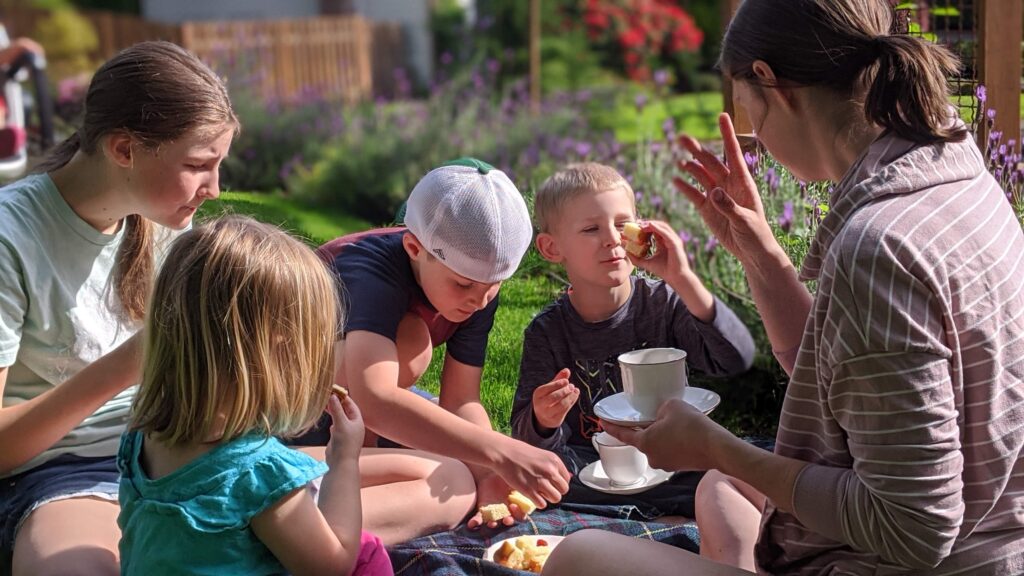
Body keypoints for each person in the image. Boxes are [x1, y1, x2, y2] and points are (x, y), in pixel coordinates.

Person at [542, 0, 1024, 574]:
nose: (757, 139)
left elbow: (914, 528)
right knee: (721, 487)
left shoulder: (879, 247)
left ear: (771, 82)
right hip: (997, 537)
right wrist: (760, 249)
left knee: (576, 555)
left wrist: (716, 446)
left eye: (749, 109)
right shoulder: (961, 174)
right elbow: (840, 379)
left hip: (915, 561)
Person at [0, 40, 236, 576]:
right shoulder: (11, 237)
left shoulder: (164, 222)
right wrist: (138, 356)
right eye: (199, 164)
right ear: (124, 150)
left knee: (446, 480)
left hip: (177, 448)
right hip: (65, 473)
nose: (215, 189)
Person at [117, 216, 392, 575]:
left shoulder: (140, 435)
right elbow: (333, 565)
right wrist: (343, 458)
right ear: (275, 351)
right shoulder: (258, 475)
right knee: (367, 555)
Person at [314, 157, 572, 529]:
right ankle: (312, 518)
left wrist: (489, 475)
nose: (479, 301)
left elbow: (460, 400)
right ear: (414, 248)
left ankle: (342, 497)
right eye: (464, 285)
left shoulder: (476, 286)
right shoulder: (371, 272)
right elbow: (374, 399)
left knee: (461, 480)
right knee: (413, 344)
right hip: (281, 414)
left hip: (347, 419)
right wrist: (501, 452)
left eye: (494, 286)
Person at [511, 162, 755, 519]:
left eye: (622, 223)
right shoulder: (548, 333)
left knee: (733, 473)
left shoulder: (663, 303)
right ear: (551, 248)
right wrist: (542, 419)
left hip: (674, 463)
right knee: (551, 487)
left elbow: (734, 358)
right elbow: (528, 443)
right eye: (591, 228)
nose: (612, 238)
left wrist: (684, 279)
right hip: (598, 475)